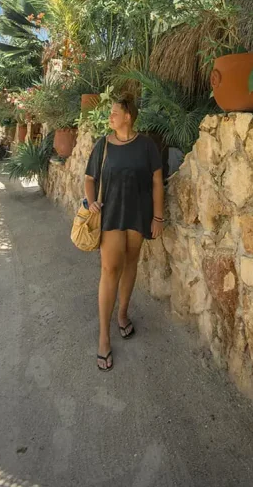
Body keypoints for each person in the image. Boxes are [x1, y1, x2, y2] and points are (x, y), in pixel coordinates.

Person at [84, 93, 164, 372]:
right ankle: (104, 337)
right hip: (111, 215)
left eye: (115, 113)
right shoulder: (102, 145)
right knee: (109, 269)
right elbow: (89, 179)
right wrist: (90, 200)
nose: (110, 117)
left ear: (128, 116)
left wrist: (157, 216)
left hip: (138, 215)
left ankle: (122, 314)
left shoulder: (147, 146)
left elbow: (157, 182)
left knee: (131, 265)